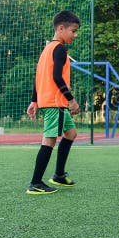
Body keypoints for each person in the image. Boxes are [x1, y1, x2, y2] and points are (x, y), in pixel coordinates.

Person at [25, 10, 81, 195]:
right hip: (55, 102)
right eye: (73, 31)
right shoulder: (59, 49)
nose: (74, 35)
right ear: (61, 28)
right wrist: (71, 100)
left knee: (71, 133)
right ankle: (35, 182)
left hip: (52, 102)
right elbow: (57, 77)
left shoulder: (47, 49)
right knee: (49, 140)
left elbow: (39, 77)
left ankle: (58, 175)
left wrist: (34, 101)